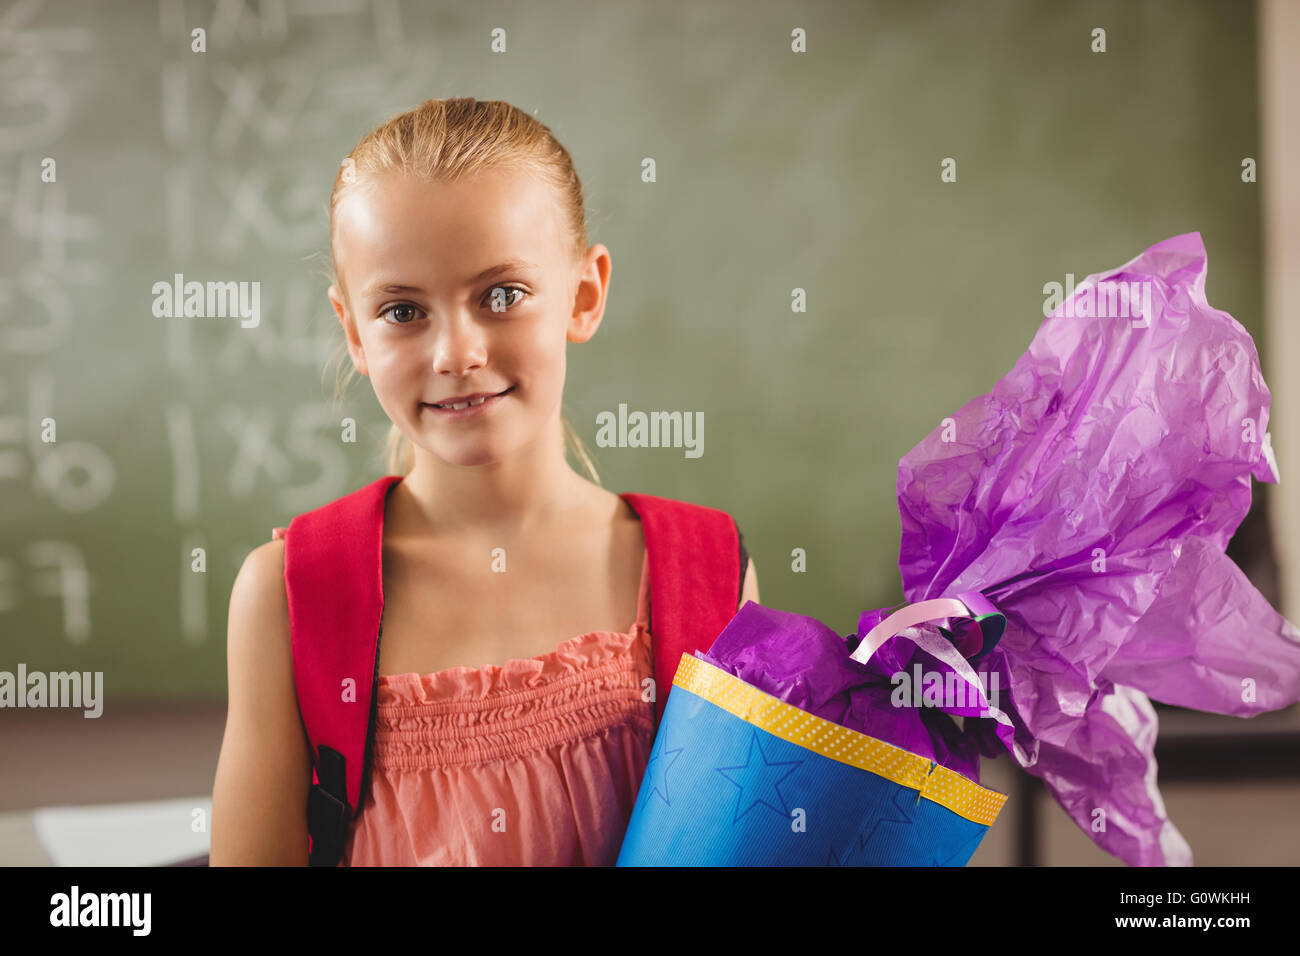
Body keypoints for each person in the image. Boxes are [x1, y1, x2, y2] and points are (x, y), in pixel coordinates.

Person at [209, 97, 758, 865]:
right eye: (402, 310)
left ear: (584, 295)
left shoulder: (707, 573)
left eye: (500, 296)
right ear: (353, 334)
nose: (455, 353)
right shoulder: (288, 594)